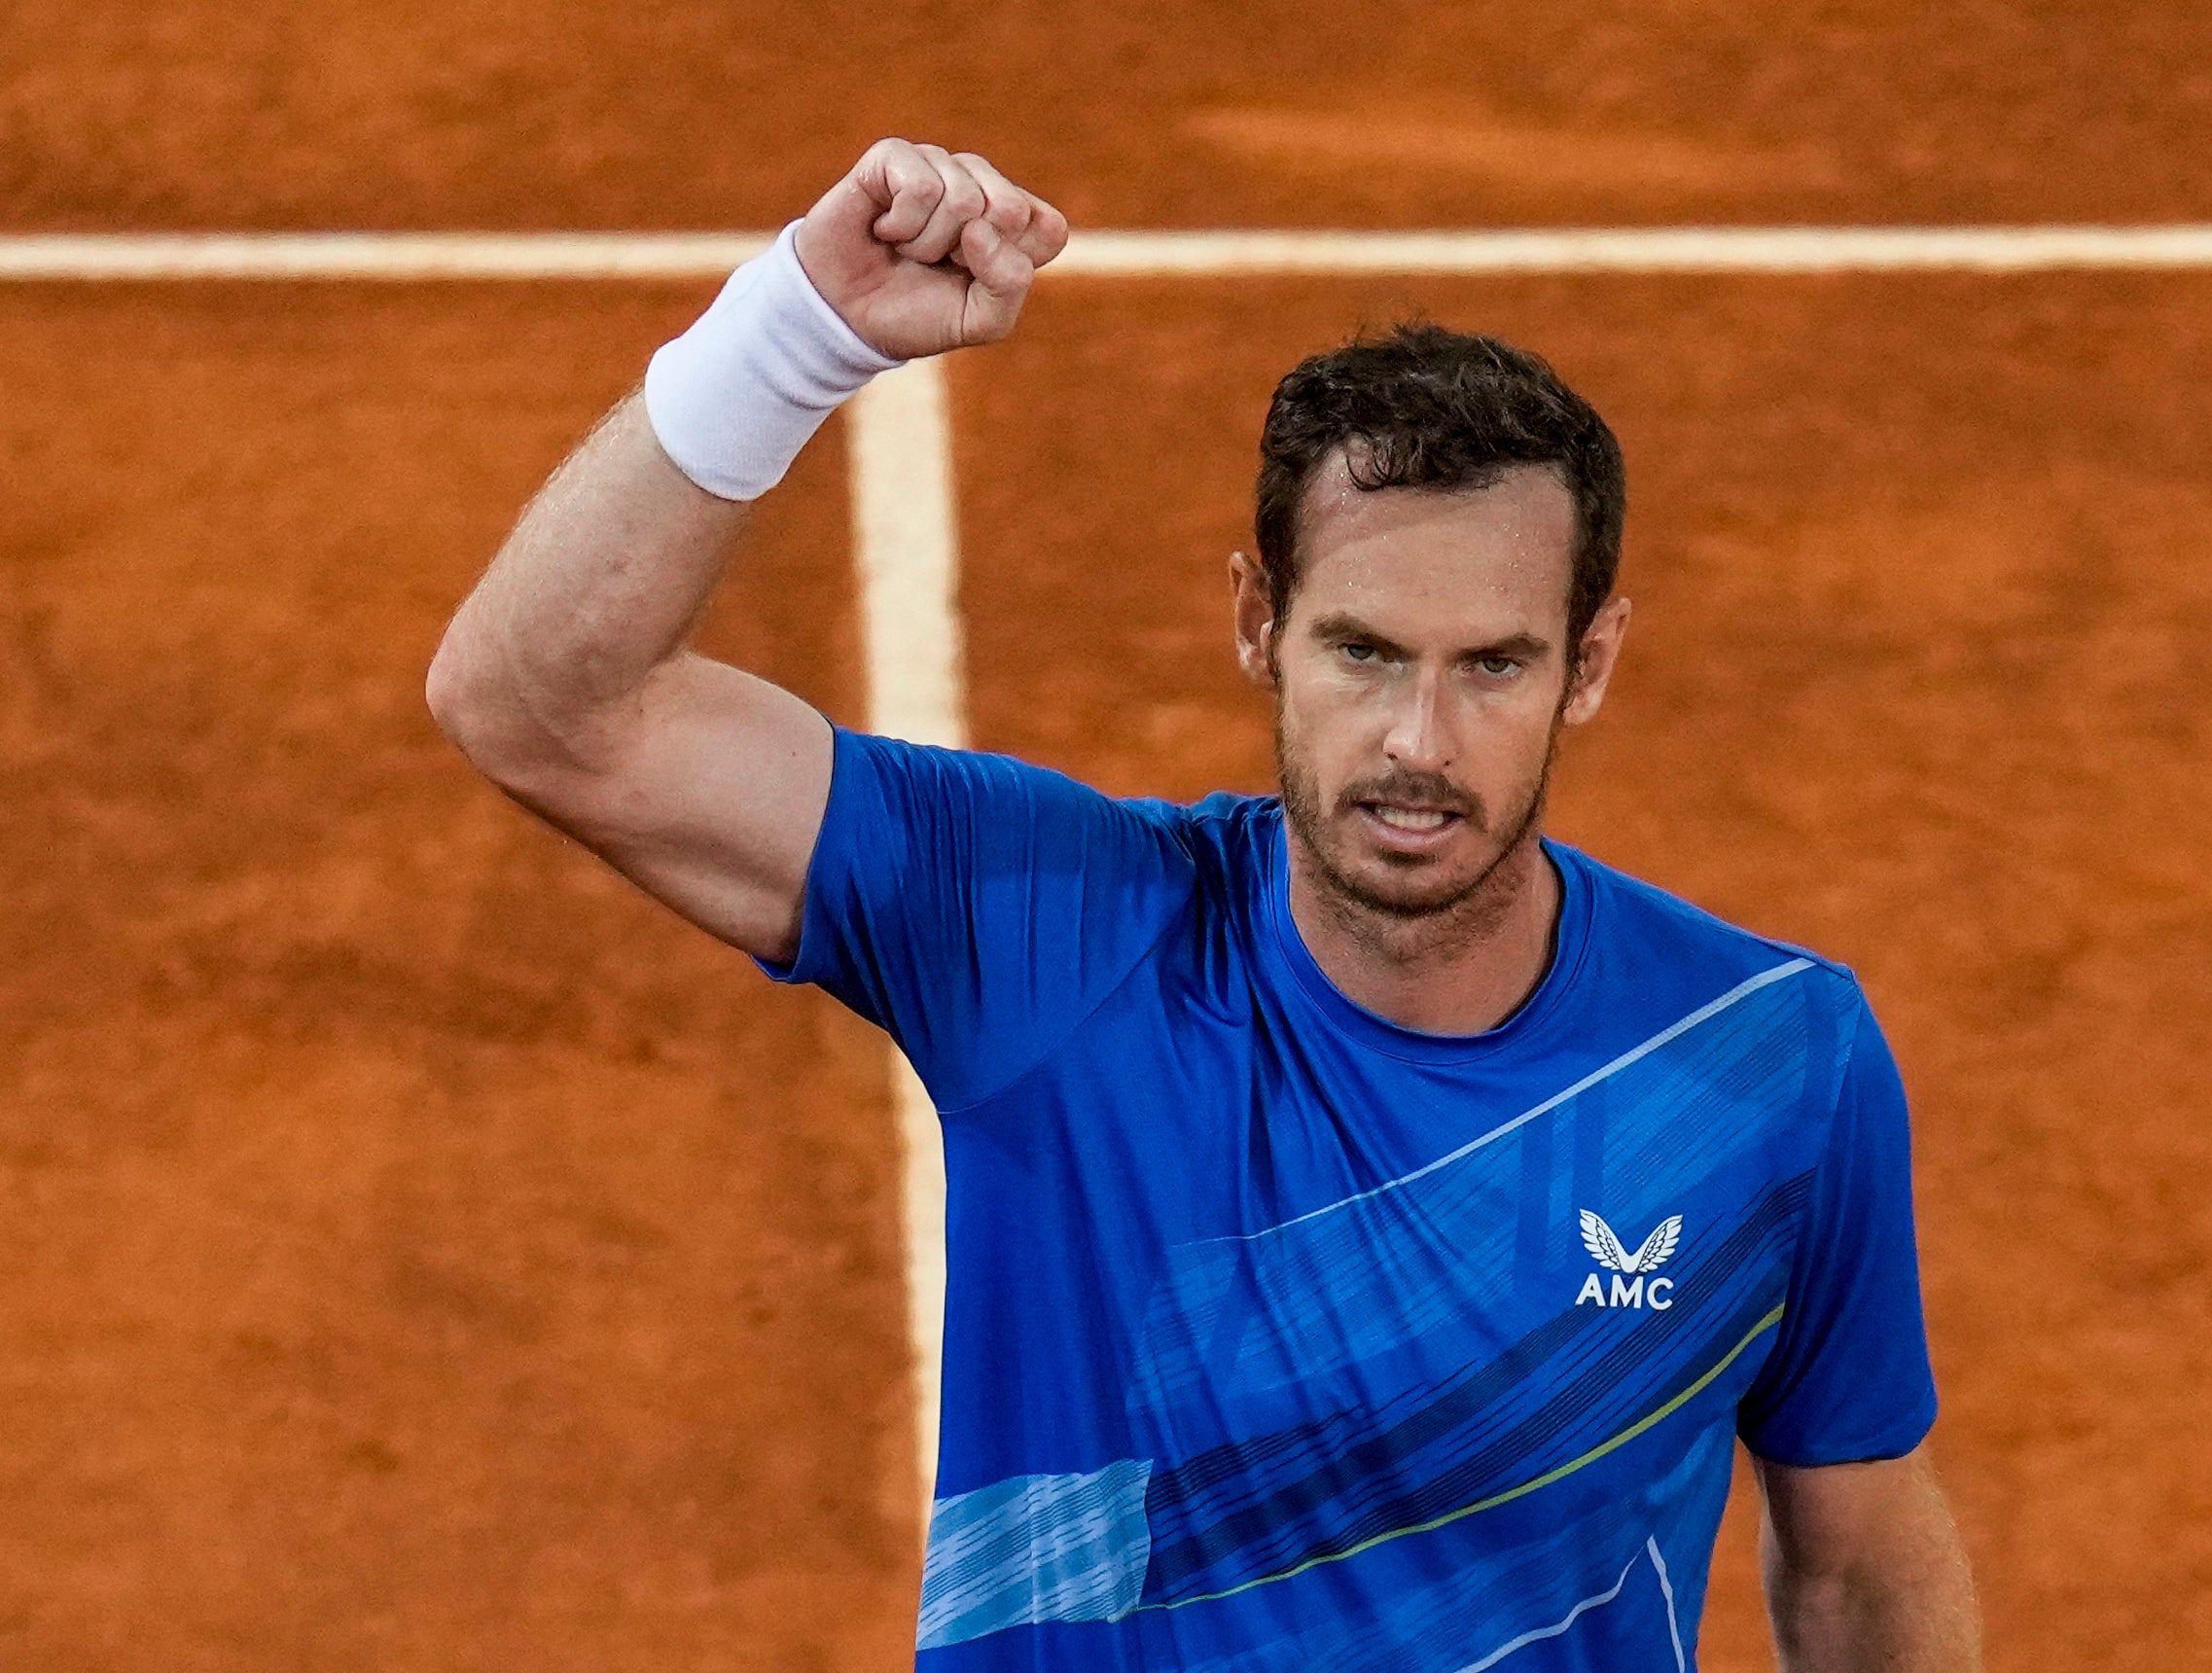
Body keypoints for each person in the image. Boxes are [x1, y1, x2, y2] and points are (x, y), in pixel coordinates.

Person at [427, 137, 1983, 1673]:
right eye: (1362, 651)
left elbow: (1859, 1565)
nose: (1417, 745)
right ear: (1259, 625)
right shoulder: (1044, 935)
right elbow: (537, 702)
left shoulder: (1767, 1062)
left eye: (1491, 666)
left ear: (1590, 664)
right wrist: (789, 336)